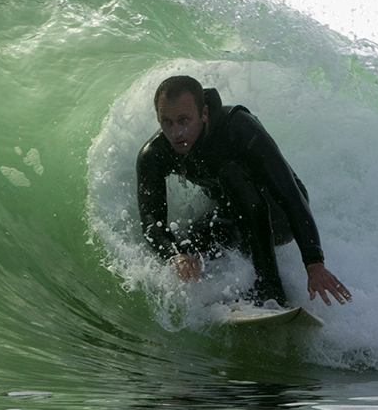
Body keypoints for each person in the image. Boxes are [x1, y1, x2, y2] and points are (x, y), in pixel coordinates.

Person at [136, 75, 351, 307]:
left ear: (204, 114)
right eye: (167, 122)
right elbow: (151, 219)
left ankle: (270, 289)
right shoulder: (155, 154)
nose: (176, 133)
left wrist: (314, 264)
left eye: (184, 120)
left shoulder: (238, 127)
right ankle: (218, 299)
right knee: (189, 246)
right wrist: (175, 255)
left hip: (278, 217)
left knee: (232, 172)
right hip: (234, 218)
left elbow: (289, 194)